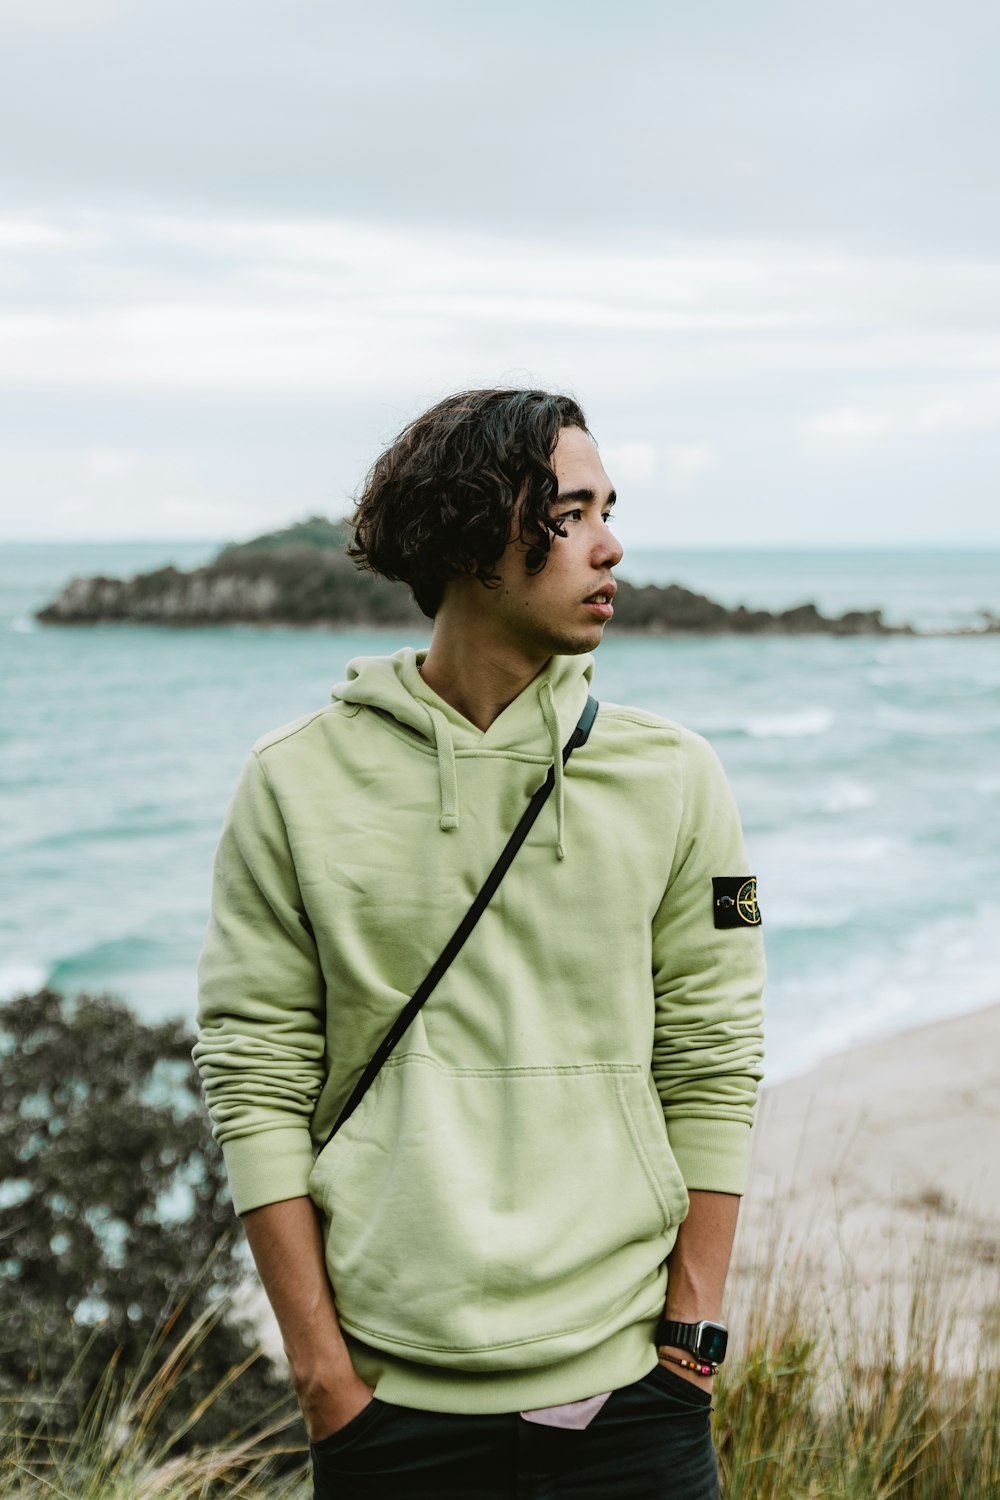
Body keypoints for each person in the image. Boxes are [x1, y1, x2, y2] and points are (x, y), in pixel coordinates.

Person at [194, 387, 765, 1499]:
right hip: (388, 1412)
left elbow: (713, 1053)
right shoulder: (295, 781)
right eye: (568, 514)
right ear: (468, 535)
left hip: (630, 1406)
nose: (609, 545)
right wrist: (322, 1377)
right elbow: (254, 1074)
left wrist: (690, 1339)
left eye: (608, 508)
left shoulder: (675, 776)